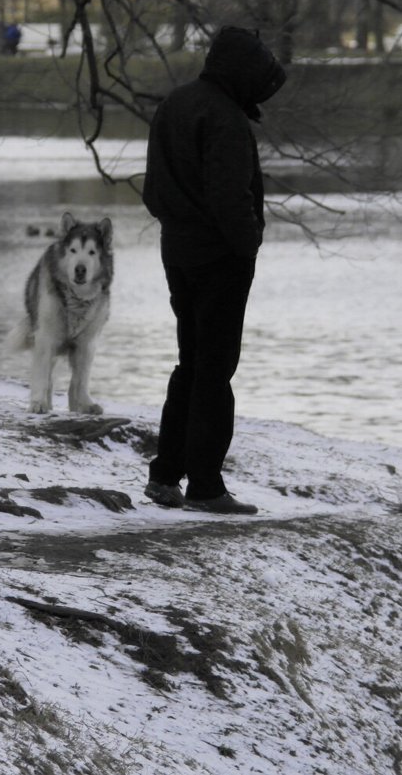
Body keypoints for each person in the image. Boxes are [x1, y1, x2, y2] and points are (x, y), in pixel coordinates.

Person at [142, 26, 287, 514]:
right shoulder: (224, 118)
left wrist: (178, 225)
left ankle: (166, 474)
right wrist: (248, 245)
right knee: (214, 370)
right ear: (242, 72)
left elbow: (152, 191)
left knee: (191, 363)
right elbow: (231, 199)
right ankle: (205, 485)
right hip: (219, 259)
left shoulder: (174, 105)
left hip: (177, 253)